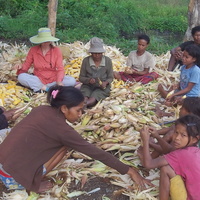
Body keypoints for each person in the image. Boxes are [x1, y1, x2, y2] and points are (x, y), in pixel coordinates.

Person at [0, 86, 151, 193]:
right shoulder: (63, 131)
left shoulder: (40, 110)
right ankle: (32, 183)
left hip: (2, 165)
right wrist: (130, 171)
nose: (81, 114)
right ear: (64, 108)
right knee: (65, 147)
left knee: (57, 144)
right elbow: (96, 153)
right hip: (12, 179)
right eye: (78, 110)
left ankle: (25, 174)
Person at [140, 114, 200, 200]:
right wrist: (157, 136)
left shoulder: (181, 154)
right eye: (176, 132)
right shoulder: (194, 150)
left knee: (166, 169)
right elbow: (171, 151)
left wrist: (145, 140)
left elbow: (148, 164)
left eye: (183, 135)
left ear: (194, 139)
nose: (177, 138)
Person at [14, 27, 76, 92]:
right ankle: (47, 89)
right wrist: (20, 67)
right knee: (21, 77)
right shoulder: (33, 50)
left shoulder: (56, 50)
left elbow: (60, 68)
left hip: (53, 79)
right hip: (39, 79)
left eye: (47, 40)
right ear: (40, 41)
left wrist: (59, 82)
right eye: (44, 40)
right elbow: (26, 66)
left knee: (71, 81)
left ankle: (41, 88)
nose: (46, 42)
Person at [79, 37, 113, 107]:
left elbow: (110, 77)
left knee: (94, 97)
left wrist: (105, 83)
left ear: (102, 53)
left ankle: (84, 106)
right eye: (94, 53)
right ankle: (83, 104)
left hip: (102, 87)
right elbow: (81, 78)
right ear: (91, 53)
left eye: (99, 53)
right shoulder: (86, 61)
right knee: (85, 95)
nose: (97, 55)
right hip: (87, 85)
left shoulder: (107, 61)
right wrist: (88, 80)